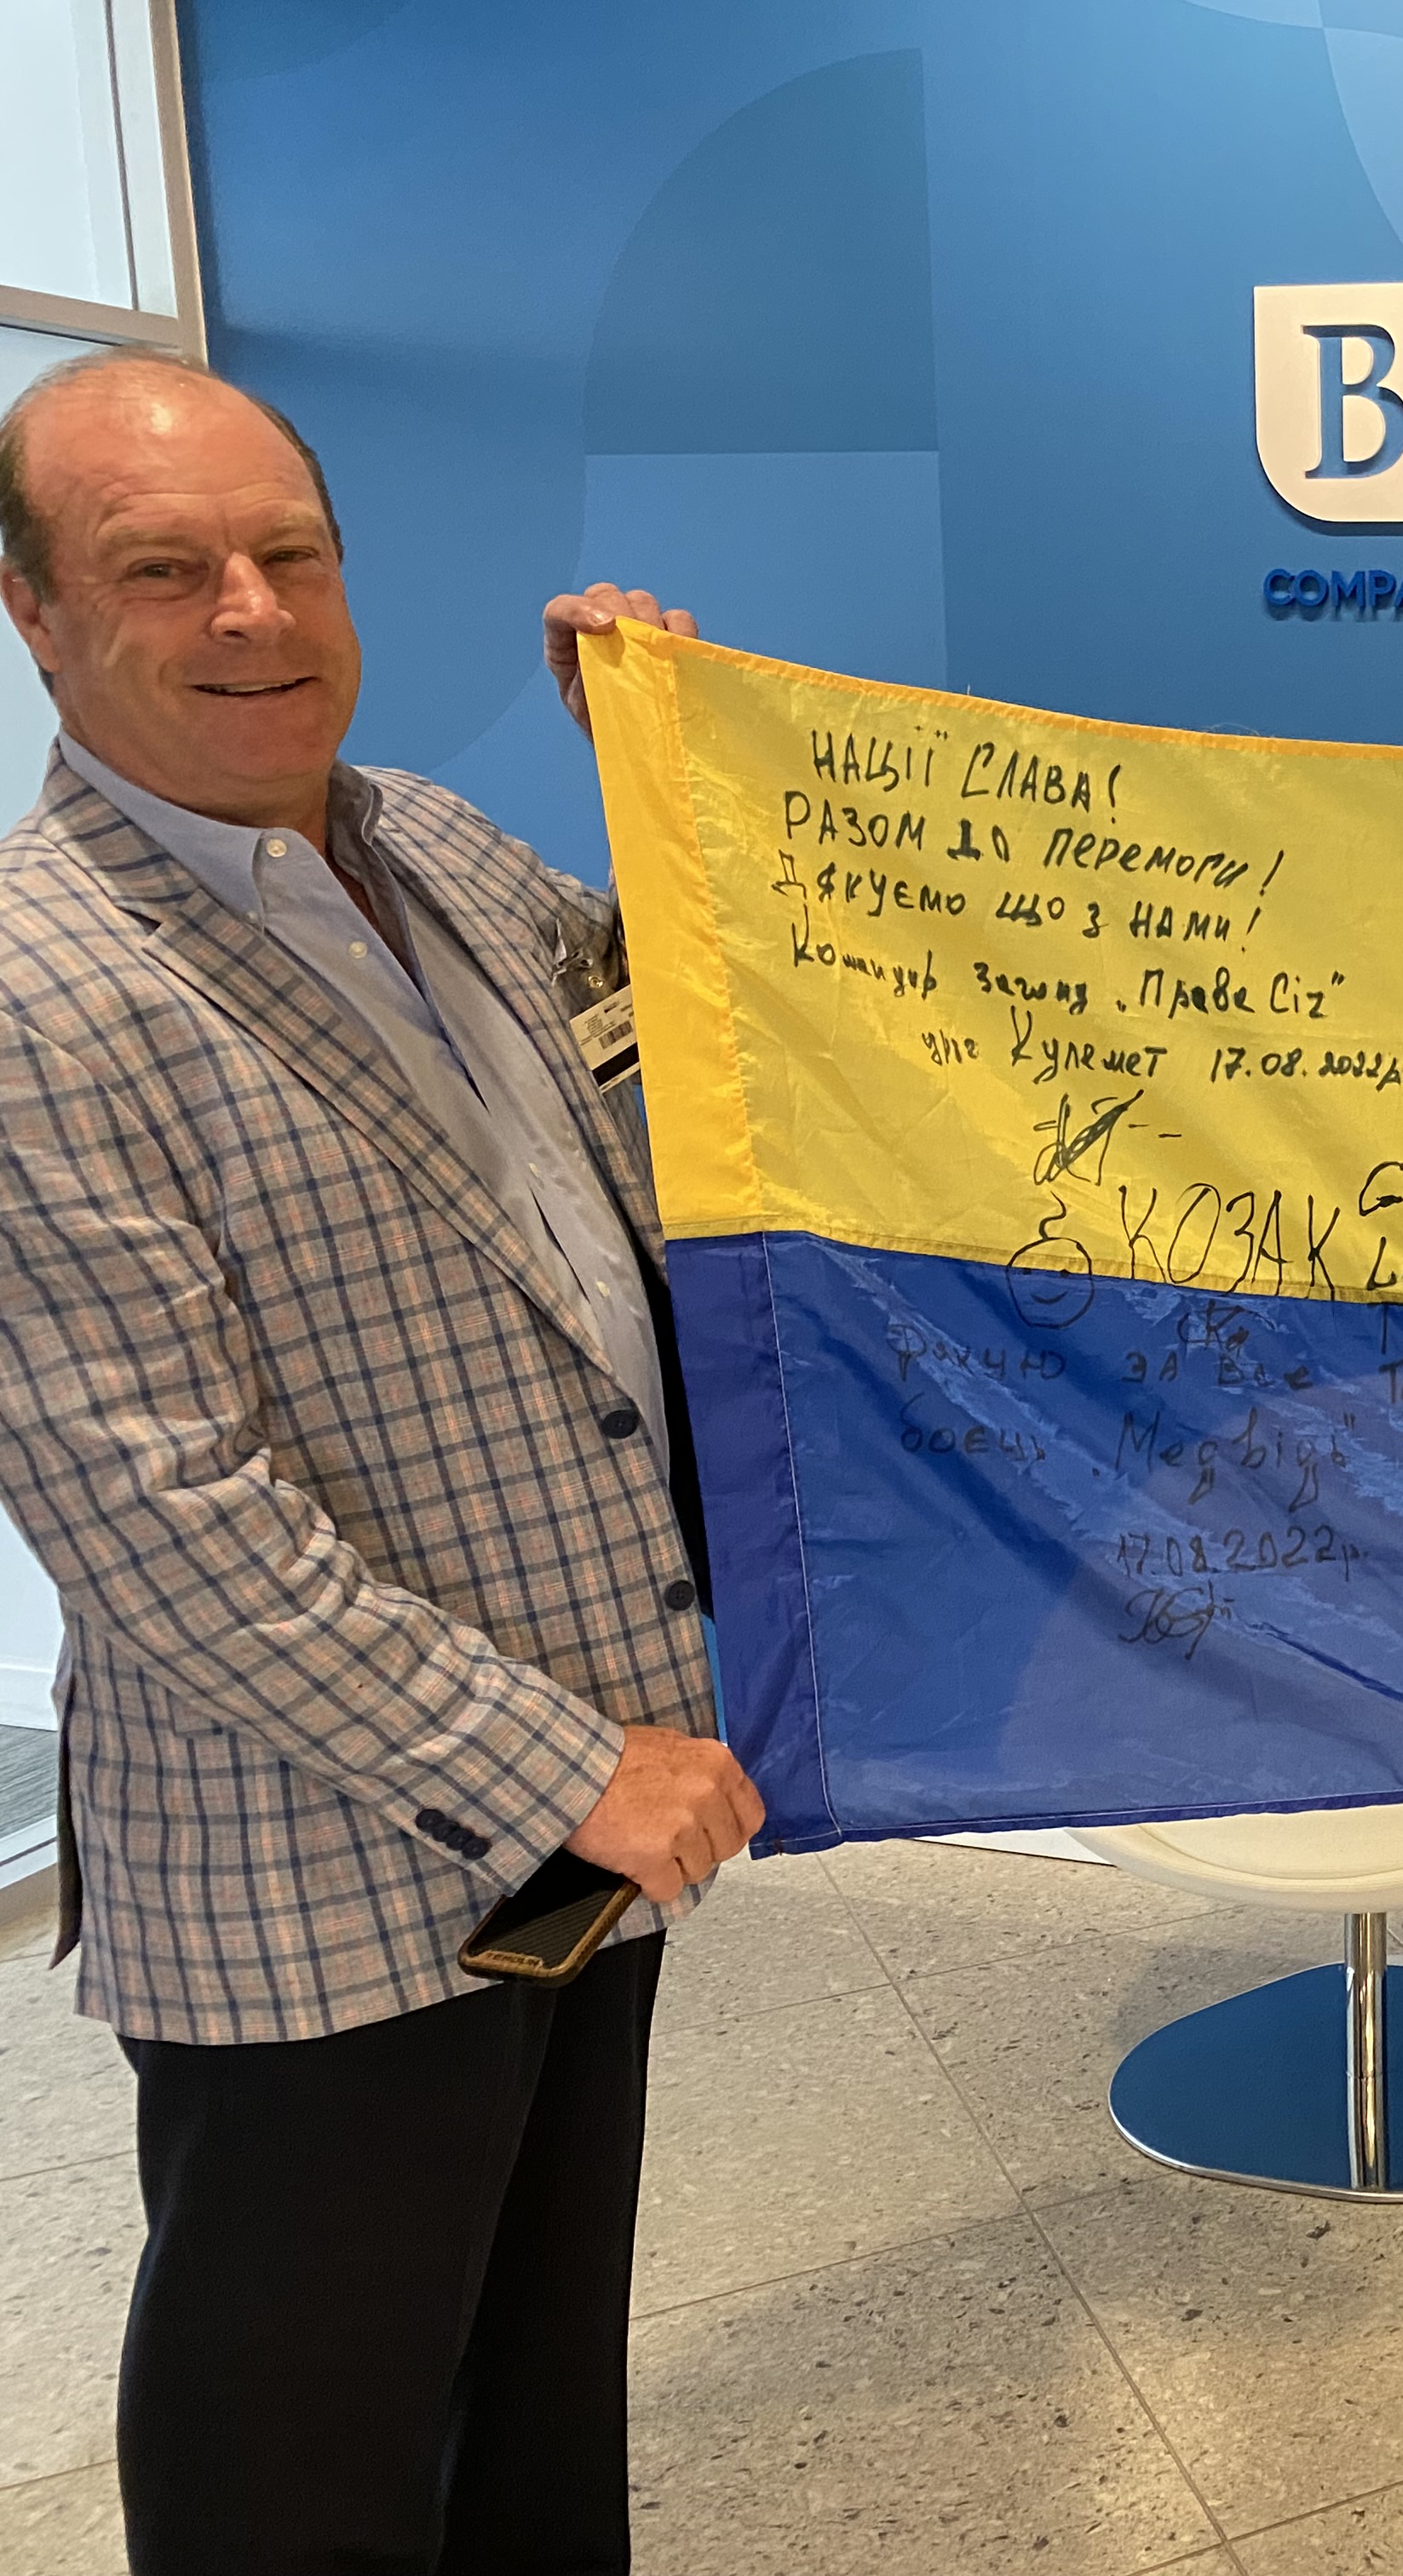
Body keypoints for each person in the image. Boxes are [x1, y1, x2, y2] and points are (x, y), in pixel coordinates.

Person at [0, 345, 762, 2574]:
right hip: (330, 1872)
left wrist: (680, 787)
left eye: (287, 553)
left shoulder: (418, 836)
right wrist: (572, 1772)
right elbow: (162, 1521)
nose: (251, 612)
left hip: (585, 1820)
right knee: (299, 2424)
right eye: (165, 570)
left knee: (531, 2362)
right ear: (40, 615)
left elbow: (648, 1060)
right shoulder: (34, 999)